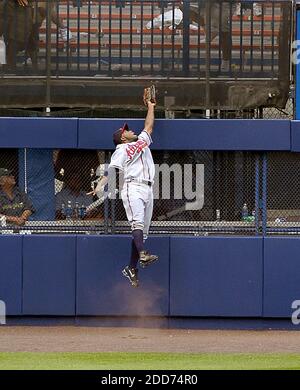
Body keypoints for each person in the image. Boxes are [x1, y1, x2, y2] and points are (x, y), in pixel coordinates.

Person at [91, 96, 158, 288]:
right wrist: (99, 185)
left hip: (148, 188)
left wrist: (151, 107)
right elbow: (112, 169)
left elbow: (149, 126)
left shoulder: (142, 140)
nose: (130, 130)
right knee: (136, 224)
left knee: (143, 234)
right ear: (122, 137)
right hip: (132, 186)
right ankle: (143, 255)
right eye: (126, 130)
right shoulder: (121, 149)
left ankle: (131, 267)